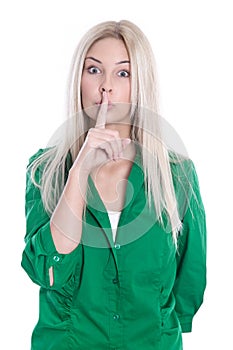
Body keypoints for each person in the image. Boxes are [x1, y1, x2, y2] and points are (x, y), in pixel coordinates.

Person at [21, 20, 206, 350]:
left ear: (140, 85)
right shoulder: (44, 169)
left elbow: (188, 279)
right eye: (93, 70)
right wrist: (80, 170)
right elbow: (47, 269)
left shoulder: (177, 174)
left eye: (123, 73)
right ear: (79, 78)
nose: (105, 87)